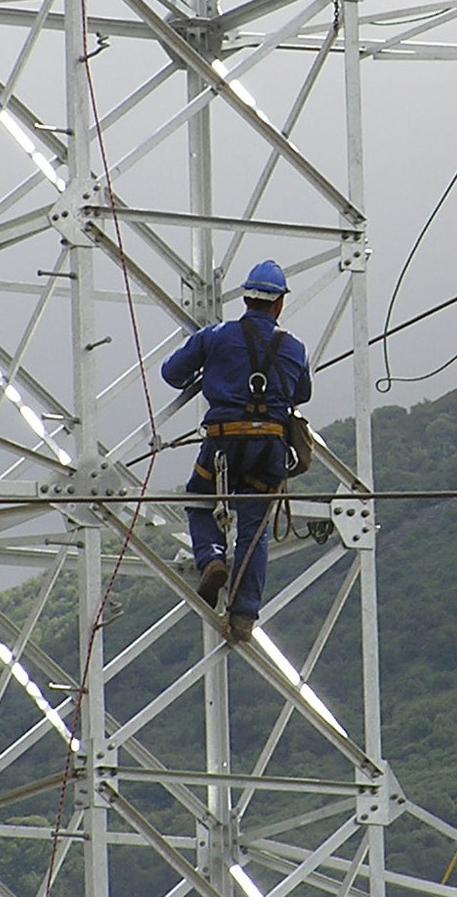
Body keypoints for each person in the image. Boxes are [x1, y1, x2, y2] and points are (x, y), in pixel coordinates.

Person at [162, 260, 312, 645]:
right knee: (254, 528)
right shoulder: (294, 347)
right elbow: (301, 394)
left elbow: (171, 373)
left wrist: (207, 373)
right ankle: (243, 616)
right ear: (278, 304)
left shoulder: (215, 336)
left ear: (246, 298)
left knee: (199, 501)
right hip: (269, 449)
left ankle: (211, 558)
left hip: (224, 442)